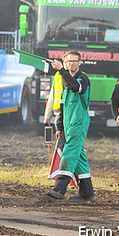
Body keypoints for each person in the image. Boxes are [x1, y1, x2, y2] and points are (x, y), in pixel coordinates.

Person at [47, 50, 94, 201]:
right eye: (68, 61)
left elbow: (77, 88)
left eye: (74, 61)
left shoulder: (82, 78)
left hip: (78, 124)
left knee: (68, 154)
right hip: (67, 124)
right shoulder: (65, 79)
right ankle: (87, 194)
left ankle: (59, 190)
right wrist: (59, 127)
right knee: (79, 158)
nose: (71, 64)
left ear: (80, 63)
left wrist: (61, 70)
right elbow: (62, 106)